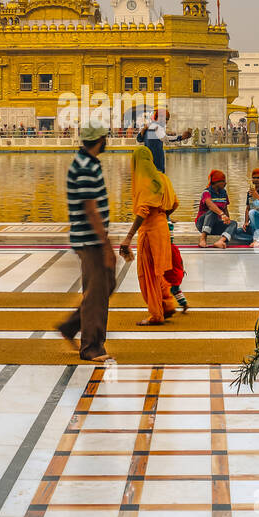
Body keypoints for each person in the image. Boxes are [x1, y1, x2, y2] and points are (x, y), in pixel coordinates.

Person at [56, 121, 116, 363]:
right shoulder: (85, 167)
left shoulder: (89, 163)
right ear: (100, 140)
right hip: (91, 240)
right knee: (96, 294)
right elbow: (91, 209)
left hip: (91, 237)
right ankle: (91, 347)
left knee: (106, 284)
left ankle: (71, 327)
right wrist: (106, 245)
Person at [119, 144, 179, 325]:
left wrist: (129, 236)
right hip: (162, 228)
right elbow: (175, 203)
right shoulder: (162, 178)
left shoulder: (144, 181)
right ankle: (166, 305)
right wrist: (163, 216)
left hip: (150, 231)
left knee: (147, 274)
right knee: (158, 271)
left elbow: (143, 211)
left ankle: (156, 314)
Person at [136, 107, 192, 174]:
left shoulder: (149, 126)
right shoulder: (157, 126)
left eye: (167, 119)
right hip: (157, 162)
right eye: (165, 119)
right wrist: (181, 137)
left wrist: (143, 130)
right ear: (159, 117)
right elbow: (166, 139)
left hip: (148, 161)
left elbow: (139, 139)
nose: (166, 121)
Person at [196, 169, 238, 247]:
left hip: (215, 225)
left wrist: (227, 219)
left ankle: (220, 241)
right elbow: (210, 205)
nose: (225, 183)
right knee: (213, 211)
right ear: (216, 182)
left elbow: (225, 208)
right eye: (223, 181)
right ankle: (203, 239)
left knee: (233, 223)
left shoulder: (223, 192)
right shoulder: (206, 192)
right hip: (202, 224)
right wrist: (222, 214)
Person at [167, 218, 189, 313]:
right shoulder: (174, 249)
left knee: (170, 290)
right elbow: (180, 261)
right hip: (178, 274)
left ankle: (168, 306)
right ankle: (184, 304)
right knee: (175, 290)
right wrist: (182, 269)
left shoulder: (167, 250)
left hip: (172, 275)